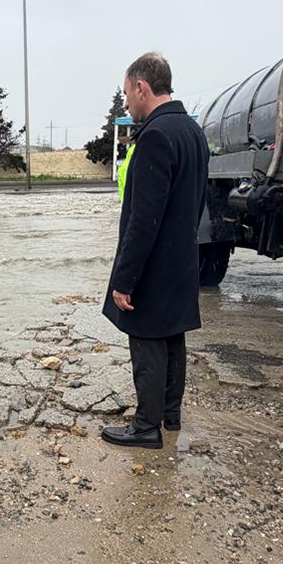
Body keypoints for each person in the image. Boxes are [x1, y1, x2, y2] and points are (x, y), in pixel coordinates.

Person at [101, 54, 208, 449]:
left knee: (146, 338)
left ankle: (146, 426)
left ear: (142, 87)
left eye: (127, 93)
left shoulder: (155, 136)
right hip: (182, 258)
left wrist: (124, 279)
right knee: (172, 335)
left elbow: (142, 220)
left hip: (154, 264)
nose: (127, 103)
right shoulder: (192, 132)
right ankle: (169, 415)